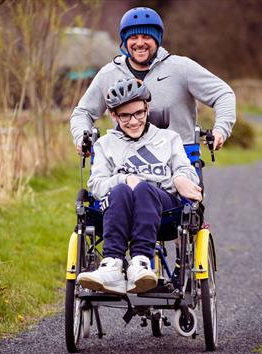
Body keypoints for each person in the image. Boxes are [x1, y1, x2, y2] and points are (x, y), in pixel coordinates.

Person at [76, 78, 202, 295]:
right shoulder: (104, 145)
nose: (133, 121)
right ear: (113, 116)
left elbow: (187, 170)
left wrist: (180, 178)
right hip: (118, 205)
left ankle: (140, 263)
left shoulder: (169, 138)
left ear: (147, 108)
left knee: (143, 188)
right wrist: (124, 180)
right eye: (124, 115)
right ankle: (112, 266)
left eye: (139, 113)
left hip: (164, 209)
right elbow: (96, 185)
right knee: (122, 189)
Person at [70, 6, 236, 155]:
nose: (140, 43)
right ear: (125, 41)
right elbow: (83, 112)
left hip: (179, 158)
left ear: (157, 39)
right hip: (126, 161)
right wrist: (82, 138)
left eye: (146, 37)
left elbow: (223, 94)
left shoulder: (181, 67)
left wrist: (220, 130)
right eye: (133, 37)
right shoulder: (109, 73)